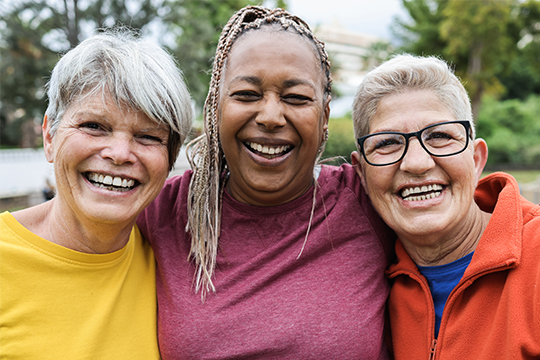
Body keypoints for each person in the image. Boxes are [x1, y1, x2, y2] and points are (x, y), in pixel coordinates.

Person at [137, 6, 394, 359]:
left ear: (325, 116)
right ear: (215, 107)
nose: (271, 117)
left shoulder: (368, 202)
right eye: (246, 94)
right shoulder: (162, 212)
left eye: (296, 98)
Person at [0, 29, 192, 359]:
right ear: (49, 136)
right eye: (94, 126)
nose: (119, 153)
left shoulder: (177, 258)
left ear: (170, 158)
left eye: (147, 136)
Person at [351, 54, 540, 359]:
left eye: (439, 136)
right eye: (387, 143)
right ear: (361, 173)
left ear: (476, 160)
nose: (416, 163)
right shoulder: (363, 283)